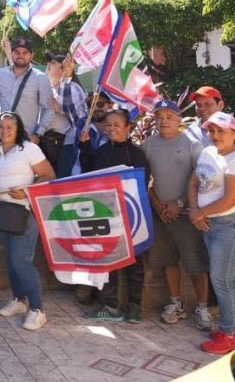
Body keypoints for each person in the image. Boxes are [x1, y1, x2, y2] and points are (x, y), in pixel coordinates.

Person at [187, 85, 235, 324]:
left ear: (220, 104)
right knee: (225, 275)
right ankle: (231, 317)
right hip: (208, 216)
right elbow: (195, 179)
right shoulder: (195, 135)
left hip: (233, 213)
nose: (202, 109)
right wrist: (196, 211)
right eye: (199, 105)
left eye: (208, 104)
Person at [188, 111, 235, 354]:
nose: (215, 135)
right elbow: (195, 182)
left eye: (221, 131)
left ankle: (228, 334)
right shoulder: (208, 152)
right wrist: (197, 210)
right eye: (211, 130)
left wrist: (199, 214)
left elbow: (232, 199)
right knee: (231, 278)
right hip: (211, 223)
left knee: (221, 280)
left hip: (232, 225)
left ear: (233, 132)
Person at [0, 112, 55, 331]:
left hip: (24, 211)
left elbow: (49, 175)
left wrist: (26, 192)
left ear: (18, 129)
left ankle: (38, 309)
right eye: (1, 127)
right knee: (11, 259)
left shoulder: (29, 149)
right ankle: (19, 300)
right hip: (3, 211)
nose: (4, 131)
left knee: (22, 260)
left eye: (9, 128)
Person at [143, 100, 213, 331]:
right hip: (160, 213)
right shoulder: (147, 145)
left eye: (169, 116)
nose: (164, 121)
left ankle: (202, 307)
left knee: (195, 262)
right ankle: (175, 303)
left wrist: (180, 203)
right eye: (159, 116)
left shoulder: (193, 145)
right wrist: (156, 203)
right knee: (167, 261)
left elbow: (201, 178)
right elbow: (143, 178)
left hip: (186, 215)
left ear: (179, 119)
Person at [80, 109, 151, 323]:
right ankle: (110, 307)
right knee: (108, 260)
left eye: (116, 125)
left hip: (130, 215)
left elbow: (142, 183)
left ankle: (134, 308)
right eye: (108, 124)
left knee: (134, 262)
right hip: (106, 214)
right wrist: (84, 147)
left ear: (128, 128)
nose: (111, 128)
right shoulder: (102, 150)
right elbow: (89, 172)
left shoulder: (135, 153)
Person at [0, 37, 54, 143]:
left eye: (25, 53)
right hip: (3, 137)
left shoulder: (40, 78)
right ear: (11, 54)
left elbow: (49, 109)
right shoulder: (0, 74)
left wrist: (38, 134)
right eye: (17, 52)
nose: (21, 55)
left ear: (31, 55)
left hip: (27, 139)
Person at [39, 54, 86, 178]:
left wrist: (62, 110)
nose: (49, 64)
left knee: (63, 179)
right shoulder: (46, 89)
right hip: (45, 144)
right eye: (49, 61)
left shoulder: (73, 88)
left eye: (54, 62)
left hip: (65, 145)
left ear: (63, 69)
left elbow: (81, 115)